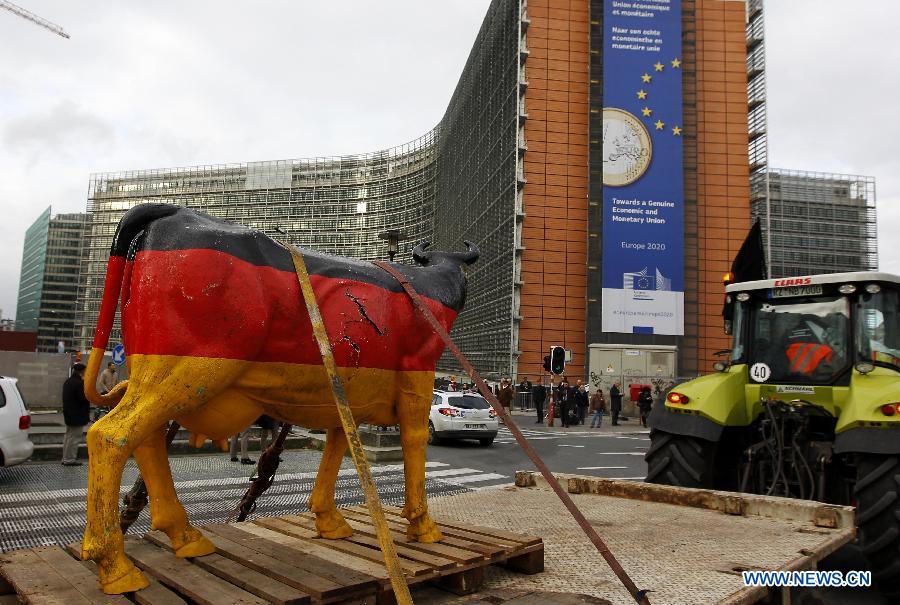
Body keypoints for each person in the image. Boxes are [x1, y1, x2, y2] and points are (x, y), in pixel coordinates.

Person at [62, 363, 91, 466]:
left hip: (69, 414)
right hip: (77, 415)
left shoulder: (68, 382)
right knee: (74, 438)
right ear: (81, 371)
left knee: (68, 437)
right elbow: (82, 398)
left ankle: (65, 458)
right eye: (85, 370)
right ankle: (70, 460)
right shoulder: (79, 383)